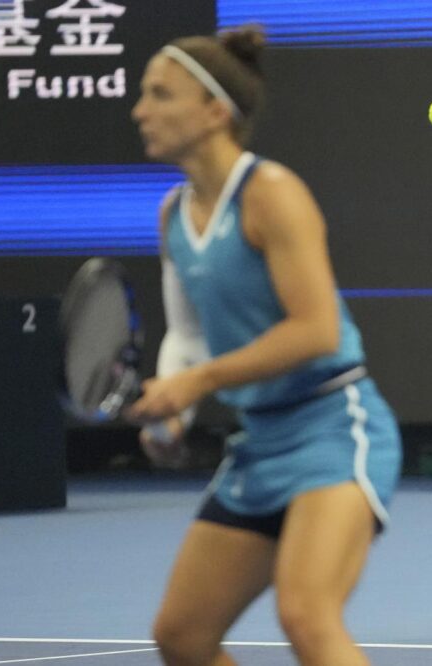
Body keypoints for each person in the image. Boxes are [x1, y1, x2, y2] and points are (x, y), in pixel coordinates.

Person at [129, 26, 402, 666]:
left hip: (335, 428)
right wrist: (176, 412)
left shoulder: (273, 195)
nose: (141, 110)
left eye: (160, 94)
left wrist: (196, 384)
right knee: (183, 636)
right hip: (260, 443)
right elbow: (190, 336)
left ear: (214, 111)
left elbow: (315, 331)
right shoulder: (174, 215)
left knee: (307, 615)